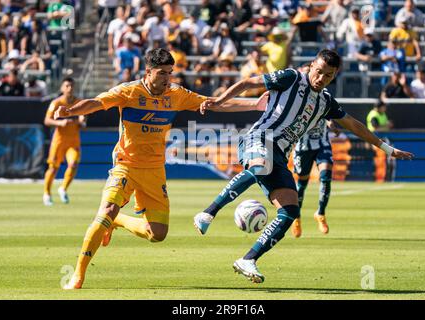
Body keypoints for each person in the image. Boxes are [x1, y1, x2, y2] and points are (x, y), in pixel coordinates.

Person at [194, 49, 414, 283]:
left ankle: (248, 259)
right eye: (319, 72)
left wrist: (387, 149)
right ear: (311, 66)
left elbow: (353, 125)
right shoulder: (291, 77)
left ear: (334, 75)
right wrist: (219, 100)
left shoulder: (326, 101)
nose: (321, 78)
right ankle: (208, 213)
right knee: (260, 166)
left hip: (280, 155)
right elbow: (249, 82)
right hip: (258, 139)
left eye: (328, 76)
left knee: (290, 211)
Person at [55, 48, 267, 289]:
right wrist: (71, 111)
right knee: (107, 209)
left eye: (170, 73)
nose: (167, 78)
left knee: (157, 233)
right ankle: (78, 275)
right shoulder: (129, 91)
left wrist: (255, 104)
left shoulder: (175, 94)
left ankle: (119, 222)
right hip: (126, 165)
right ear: (148, 72)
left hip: (155, 170)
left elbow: (214, 105)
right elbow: (97, 102)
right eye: (162, 73)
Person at [43, 77, 85, 206]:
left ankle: (63, 188)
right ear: (62, 88)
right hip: (59, 141)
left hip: (73, 141)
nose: (69, 88)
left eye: (71, 86)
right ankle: (47, 193)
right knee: (53, 168)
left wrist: (82, 122)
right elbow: (47, 121)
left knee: (73, 165)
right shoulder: (56, 103)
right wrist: (60, 122)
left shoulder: (79, 102)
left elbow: (83, 119)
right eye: (66, 86)